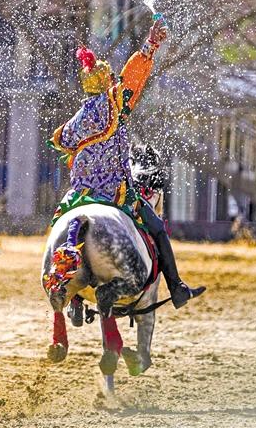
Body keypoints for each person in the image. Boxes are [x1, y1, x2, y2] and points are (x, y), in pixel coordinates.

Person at [47, 18, 205, 309]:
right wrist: (150, 45)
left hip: (79, 195)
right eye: (111, 78)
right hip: (115, 192)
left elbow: (60, 141)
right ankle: (177, 288)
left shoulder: (74, 122)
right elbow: (133, 76)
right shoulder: (114, 103)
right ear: (107, 82)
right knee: (157, 228)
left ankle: (71, 295)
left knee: (60, 227)